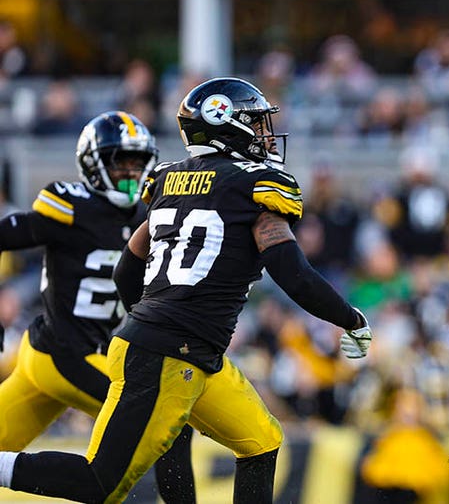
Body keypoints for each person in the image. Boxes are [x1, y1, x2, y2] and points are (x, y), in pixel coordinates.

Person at [0, 78, 373, 503]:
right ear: (228, 125)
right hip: (168, 352)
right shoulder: (255, 186)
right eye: (259, 123)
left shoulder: (169, 181)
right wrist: (351, 319)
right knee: (100, 482)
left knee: (261, 439)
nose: (268, 134)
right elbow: (294, 273)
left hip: (187, 349)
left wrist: (147, 320)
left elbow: (128, 267)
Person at [0, 111, 196, 503]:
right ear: (93, 163)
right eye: (119, 161)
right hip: (66, 351)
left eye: (137, 162)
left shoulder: (151, 214)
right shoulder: (71, 206)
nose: (129, 171)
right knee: (171, 424)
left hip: (80, 354)